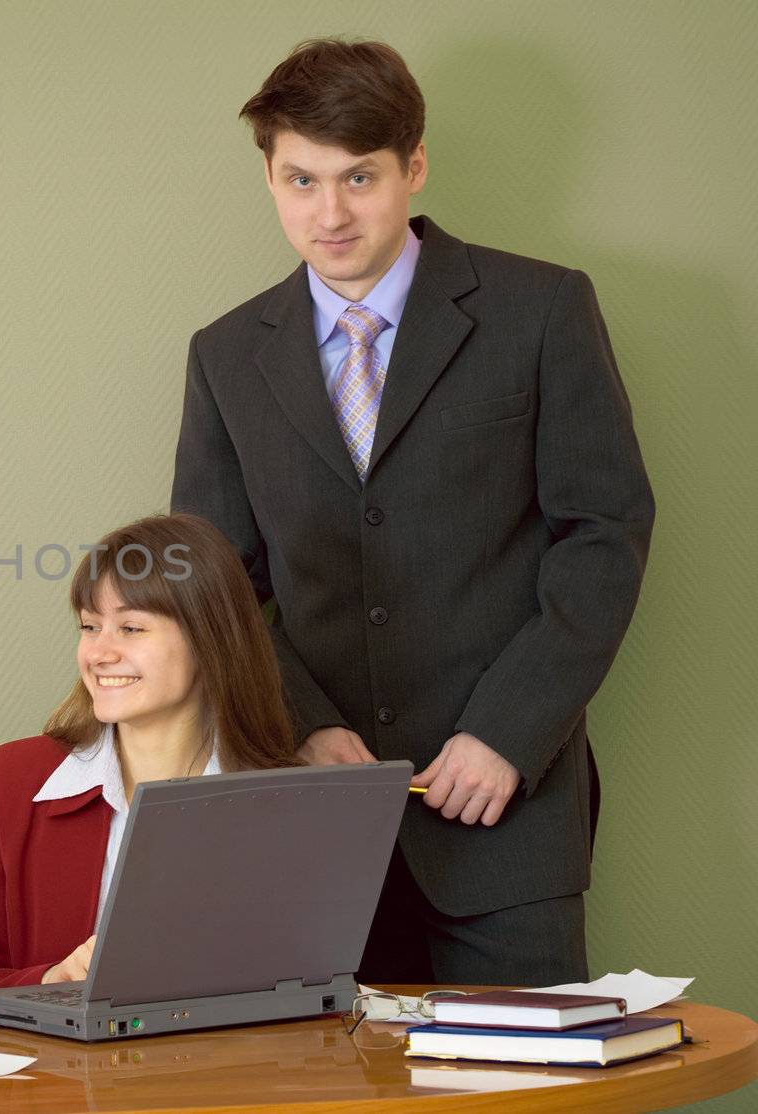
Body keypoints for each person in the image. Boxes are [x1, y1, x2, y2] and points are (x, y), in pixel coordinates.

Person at [170, 39, 653, 985]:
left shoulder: (543, 309)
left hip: (506, 822)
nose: (331, 213)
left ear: (414, 165)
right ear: (268, 175)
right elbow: (221, 584)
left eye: (360, 176)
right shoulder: (225, 355)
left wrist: (510, 730)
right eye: (301, 180)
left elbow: (603, 536)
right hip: (313, 826)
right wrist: (300, 726)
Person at [0, 514, 302, 991]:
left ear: (209, 640)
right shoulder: (14, 778)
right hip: (57, 1067)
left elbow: (309, 990)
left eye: (130, 628)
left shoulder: (291, 799)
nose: (99, 653)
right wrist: (53, 980)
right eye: (90, 627)